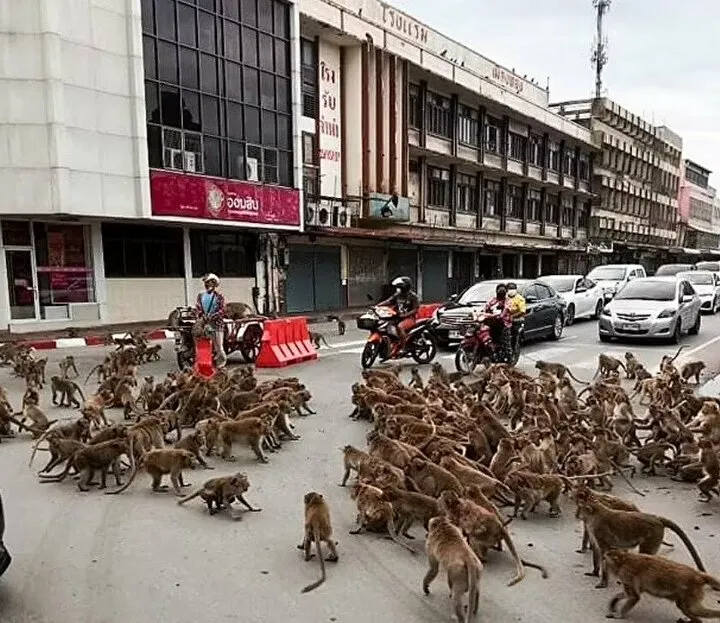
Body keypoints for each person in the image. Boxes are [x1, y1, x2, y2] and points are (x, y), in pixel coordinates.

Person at [378, 276, 420, 356]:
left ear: (405, 287)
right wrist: (378, 305)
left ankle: (404, 348)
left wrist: (405, 315)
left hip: (409, 318)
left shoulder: (413, 296)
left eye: (400, 287)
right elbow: (389, 301)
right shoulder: (398, 295)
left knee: (400, 327)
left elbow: (415, 309)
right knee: (385, 326)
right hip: (398, 317)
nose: (398, 289)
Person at [195, 273, 227, 368]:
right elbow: (198, 307)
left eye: (209, 282)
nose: (207, 284)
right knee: (204, 344)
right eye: (206, 283)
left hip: (217, 324)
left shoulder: (219, 296)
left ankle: (221, 365)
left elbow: (222, 310)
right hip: (205, 323)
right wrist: (201, 315)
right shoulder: (201, 295)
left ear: (214, 284)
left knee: (218, 347)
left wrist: (212, 316)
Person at [483, 283, 512, 359]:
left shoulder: (507, 301)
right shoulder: (493, 300)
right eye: (499, 290)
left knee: (506, 343)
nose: (501, 292)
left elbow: (506, 309)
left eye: (503, 290)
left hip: (504, 323)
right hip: (493, 322)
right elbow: (487, 307)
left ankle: (508, 359)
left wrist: (501, 315)